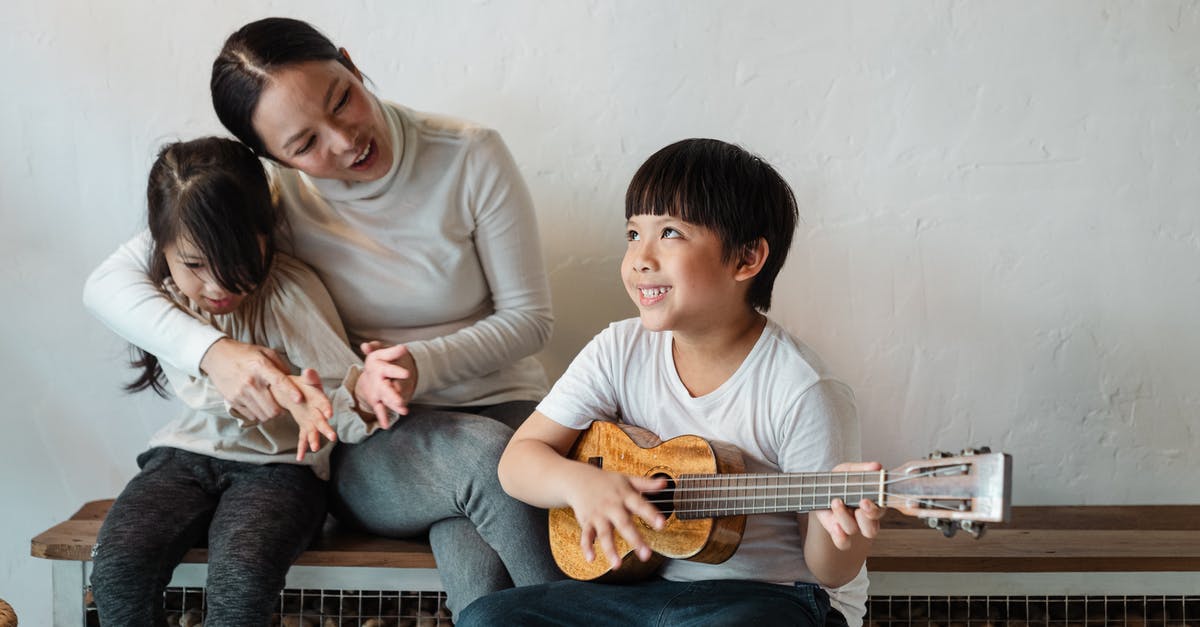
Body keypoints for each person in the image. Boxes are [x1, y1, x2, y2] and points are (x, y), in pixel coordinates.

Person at [83, 17, 561, 616]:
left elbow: (529, 319)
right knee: (493, 462)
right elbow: (110, 282)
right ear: (268, 157)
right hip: (377, 438)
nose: (344, 141)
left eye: (343, 100)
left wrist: (421, 364)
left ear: (350, 63)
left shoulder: (469, 153)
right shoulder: (273, 198)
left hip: (504, 406)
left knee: (476, 558)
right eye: (304, 144)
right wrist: (217, 354)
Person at [457, 138, 884, 627]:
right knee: (487, 618)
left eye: (672, 233)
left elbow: (829, 572)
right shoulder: (619, 348)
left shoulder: (803, 389)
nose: (641, 257)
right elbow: (517, 463)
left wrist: (847, 536)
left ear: (746, 259)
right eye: (633, 234)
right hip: (643, 591)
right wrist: (584, 484)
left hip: (775, 599)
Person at [89, 137, 392, 626]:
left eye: (233, 259)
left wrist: (351, 401)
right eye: (193, 264)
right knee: (118, 566)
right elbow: (195, 387)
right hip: (184, 455)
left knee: (241, 578)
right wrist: (259, 389)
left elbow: (337, 390)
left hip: (280, 467)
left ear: (266, 233)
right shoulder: (160, 302)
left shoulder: (292, 293)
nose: (216, 286)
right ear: (159, 245)